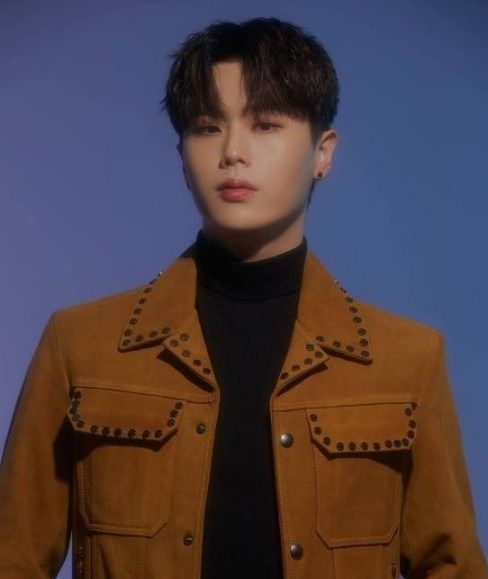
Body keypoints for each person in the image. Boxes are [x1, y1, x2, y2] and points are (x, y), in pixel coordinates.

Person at [0, 16, 486, 579]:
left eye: (266, 124)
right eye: (207, 127)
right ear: (182, 157)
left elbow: (452, 566)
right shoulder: (80, 346)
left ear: (323, 152)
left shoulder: (407, 360)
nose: (233, 151)